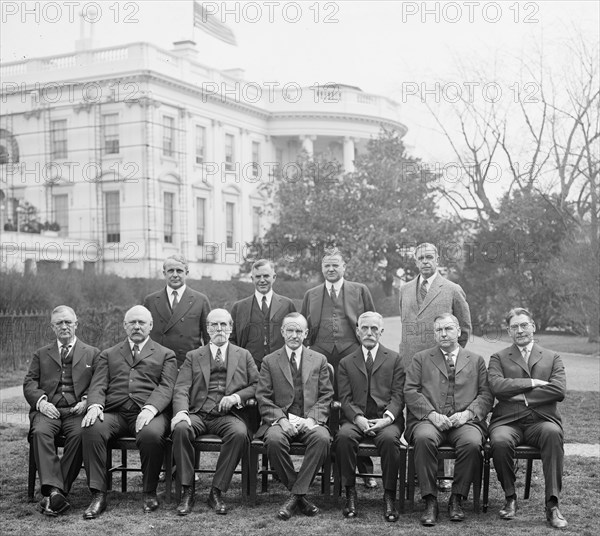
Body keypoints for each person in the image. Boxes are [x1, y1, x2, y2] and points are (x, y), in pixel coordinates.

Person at [80, 305, 177, 519]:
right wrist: (95, 405)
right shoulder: (108, 354)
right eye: (132, 322)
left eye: (141, 322)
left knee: (151, 434)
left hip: (149, 411)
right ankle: (98, 493)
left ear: (150, 326)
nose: (137, 326)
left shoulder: (166, 354)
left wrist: (151, 408)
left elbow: (167, 386)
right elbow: (98, 385)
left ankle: (149, 491)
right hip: (115, 412)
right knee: (91, 428)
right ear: (124, 326)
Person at [404, 313, 492, 526]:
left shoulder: (476, 360)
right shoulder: (421, 358)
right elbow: (411, 391)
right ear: (434, 334)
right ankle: (430, 500)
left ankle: (457, 498)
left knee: (472, 443)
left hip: (465, 421)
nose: (444, 334)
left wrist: (467, 414)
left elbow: (486, 395)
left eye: (448, 329)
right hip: (428, 419)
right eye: (439, 330)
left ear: (459, 331)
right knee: (424, 438)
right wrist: (432, 414)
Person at [398, 242, 472, 491]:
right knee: (416, 416)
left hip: (441, 365)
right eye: (420, 258)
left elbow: (465, 328)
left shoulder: (451, 289)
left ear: (438, 259)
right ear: (415, 262)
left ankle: (441, 475)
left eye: (430, 257)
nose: (425, 261)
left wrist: (450, 358)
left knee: (441, 413)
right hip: (411, 363)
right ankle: (419, 472)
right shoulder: (405, 289)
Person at [171, 308, 259, 516]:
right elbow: (181, 387)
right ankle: (187, 489)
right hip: (198, 413)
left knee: (239, 433)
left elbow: (258, 384)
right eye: (214, 325)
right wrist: (182, 412)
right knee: (181, 428)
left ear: (231, 328)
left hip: (228, 416)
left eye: (224, 325)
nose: (219, 329)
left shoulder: (243, 355)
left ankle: (216, 491)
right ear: (207, 329)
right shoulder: (194, 356)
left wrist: (237, 397)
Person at [301, 248, 376, 486]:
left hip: (352, 357)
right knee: (323, 409)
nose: (331, 269)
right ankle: (326, 466)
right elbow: (304, 329)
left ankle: (363, 469)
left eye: (335, 265)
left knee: (354, 408)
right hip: (321, 358)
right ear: (322, 269)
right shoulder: (311, 294)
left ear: (344, 267)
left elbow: (372, 322)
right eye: (327, 266)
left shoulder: (359, 290)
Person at [488, 308, 568, 529]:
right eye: (514, 327)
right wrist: (533, 383)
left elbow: (559, 390)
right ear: (508, 331)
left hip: (542, 420)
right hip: (507, 421)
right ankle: (510, 497)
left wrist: (522, 396)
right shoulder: (498, 357)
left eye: (524, 325)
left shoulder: (553, 357)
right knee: (500, 441)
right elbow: (496, 386)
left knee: (553, 434)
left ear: (533, 326)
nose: (520, 330)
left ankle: (552, 505)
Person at [255, 312, 334, 520]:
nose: (294, 335)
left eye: (299, 330)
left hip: (309, 419)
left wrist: (313, 419)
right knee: (273, 440)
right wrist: (281, 420)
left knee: (323, 439)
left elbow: (327, 395)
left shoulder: (319, 360)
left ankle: (295, 497)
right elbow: (263, 396)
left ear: (306, 333)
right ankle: (299, 496)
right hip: (280, 420)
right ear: (282, 332)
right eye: (290, 330)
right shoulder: (269, 361)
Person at [23, 305, 100, 517]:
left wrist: (86, 400)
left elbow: (99, 383)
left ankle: (55, 492)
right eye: (59, 323)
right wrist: (41, 402)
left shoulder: (93, 353)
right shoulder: (41, 354)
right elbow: (30, 382)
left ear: (76, 324)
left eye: (68, 322)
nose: (64, 326)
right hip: (49, 410)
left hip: (77, 411)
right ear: (52, 327)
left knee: (81, 434)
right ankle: (56, 491)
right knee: (40, 433)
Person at [335, 312, 405, 522]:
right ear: (357, 331)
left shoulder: (394, 359)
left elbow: (398, 395)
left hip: (386, 420)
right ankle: (350, 493)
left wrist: (387, 418)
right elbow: (344, 398)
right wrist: (358, 418)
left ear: (381, 332)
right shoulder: (346, 362)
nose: (369, 332)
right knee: (344, 437)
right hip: (355, 419)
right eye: (364, 328)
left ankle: (389, 495)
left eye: (374, 329)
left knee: (389, 440)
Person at [143, 254, 211, 369]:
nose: (175, 275)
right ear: (164, 273)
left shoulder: (200, 300)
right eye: (170, 271)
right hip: (157, 365)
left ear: (186, 273)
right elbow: (143, 335)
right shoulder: (150, 300)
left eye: (179, 271)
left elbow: (209, 337)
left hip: (189, 365)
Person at [230, 259, 296, 370]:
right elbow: (231, 339)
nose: (262, 280)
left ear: (274, 277)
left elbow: (296, 335)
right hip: (249, 369)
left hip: (281, 368)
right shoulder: (239, 307)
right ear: (252, 279)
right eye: (258, 277)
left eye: (266, 276)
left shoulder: (287, 305)